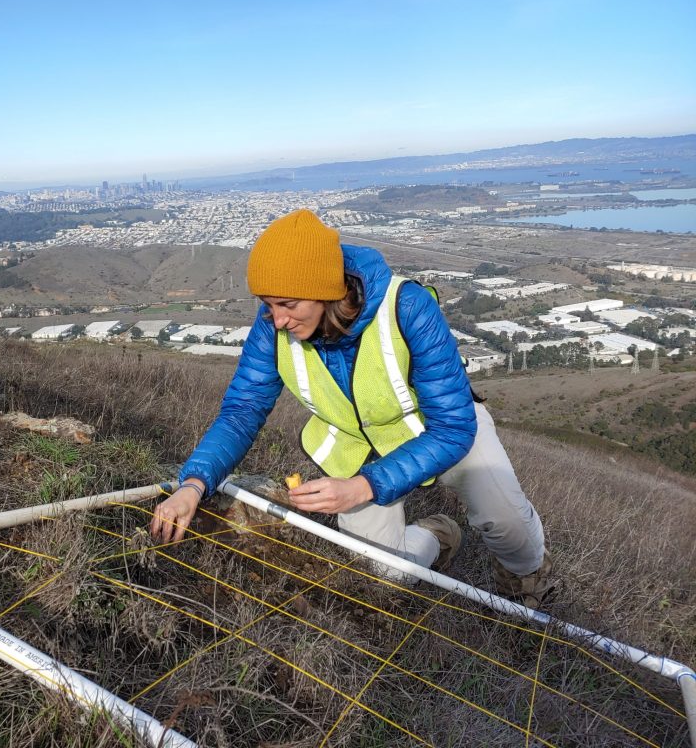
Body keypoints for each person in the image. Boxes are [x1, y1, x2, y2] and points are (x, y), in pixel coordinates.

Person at [150, 209, 553, 607]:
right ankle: (439, 536)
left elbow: (452, 426)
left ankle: (525, 578)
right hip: (357, 447)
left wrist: (363, 487)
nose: (276, 320)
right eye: (268, 305)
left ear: (326, 290)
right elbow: (242, 411)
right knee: (380, 578)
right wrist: (193, 485)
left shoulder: (407, 307)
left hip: (437, 429)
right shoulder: (271, 327)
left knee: (507, 523)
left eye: (288, 304)